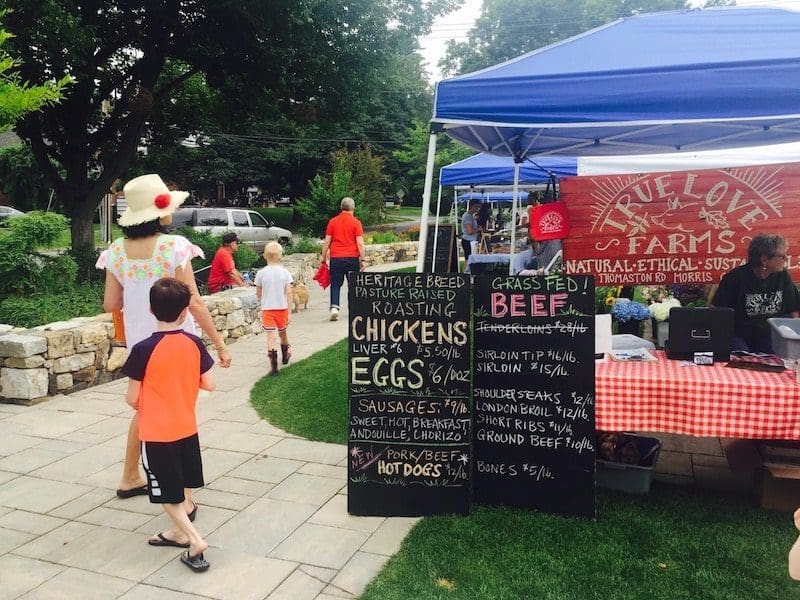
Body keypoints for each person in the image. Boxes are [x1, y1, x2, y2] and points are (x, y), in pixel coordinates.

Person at [96, 173, 231, 502]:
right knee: (179, 414)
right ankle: (183, 496)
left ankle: (130, 476)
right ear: (157, 212)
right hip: (177, 343)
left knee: (146, 409)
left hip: (143, 345)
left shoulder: (116, 251)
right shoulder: (175, 247)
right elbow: (194, 302)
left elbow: (110, 303)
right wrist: (219, 343)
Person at [122, 278, 214, 572]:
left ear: (150, 309)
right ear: (186, 311)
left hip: (157, 432)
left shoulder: (142, 349)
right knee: (184, 484)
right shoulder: (194, 343)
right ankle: (177, 532)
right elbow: (209, 383)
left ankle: (194, 539)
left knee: (166, 493)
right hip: (187, 427)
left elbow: (132, 398)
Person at [711, 233, 800, 353]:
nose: (786, 259)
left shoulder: (783, 276)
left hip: (770, 336)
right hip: (739, 334)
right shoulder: (735, 278)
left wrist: (793, 341)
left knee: (779, 359)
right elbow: (716, 311)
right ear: (764, 260)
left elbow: (793, 309)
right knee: (740, 357)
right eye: (782, 256)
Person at [320, 197, 365, 321]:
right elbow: (360, 243)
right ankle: (354, 310)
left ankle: (334, 308)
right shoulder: (356, 222)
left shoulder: (333, 222)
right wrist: (363, 259)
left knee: (335, 284)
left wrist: (323, 258)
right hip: (352, 258)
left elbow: (327, 241)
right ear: (353, 208)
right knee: (353, 285)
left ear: (341, 207)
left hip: (336, 258)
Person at [255, 241, 293, 375]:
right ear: (280, 256)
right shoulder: (284, 273)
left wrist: (263, 298)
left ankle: (274, 366)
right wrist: (289, 312)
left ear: (264, 256)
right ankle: (286, 352)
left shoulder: (260, 273)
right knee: (283, 332)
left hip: (267, 309)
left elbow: (258, 293)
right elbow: (288, 292)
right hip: (282, 308)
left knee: (270, 336)